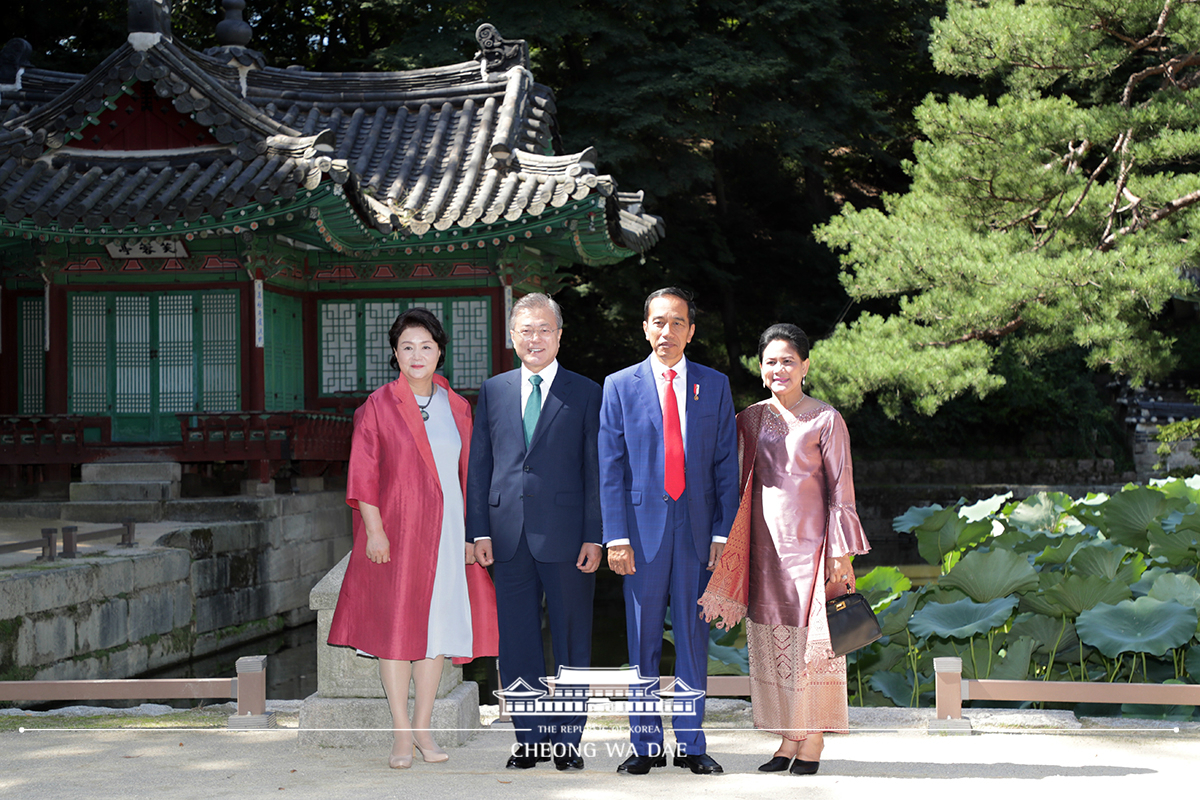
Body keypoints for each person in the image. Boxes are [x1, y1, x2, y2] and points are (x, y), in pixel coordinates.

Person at [327, 308, 498, 770]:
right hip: (397, 535)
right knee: (395, 634)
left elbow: (470, 476)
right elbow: (363, 475)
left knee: (436, 632)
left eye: (425, 346)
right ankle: (401, 733)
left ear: (440, 351)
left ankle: (424, 728)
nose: (416, 355)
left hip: (447, 537)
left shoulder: (457, 406)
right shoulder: (377, 406)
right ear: (395, 354)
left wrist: (470, 534)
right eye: (406, 347)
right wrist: (375, 532)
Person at [699, 323, 870, 776]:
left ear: (805, 366)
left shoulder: (826, 419)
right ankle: (787, 736)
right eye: (771, 361)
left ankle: (811, 741)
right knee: (773, 644)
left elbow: (841, 490)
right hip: (763, 550)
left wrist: (840, 552)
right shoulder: (748, 420)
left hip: (813, 551)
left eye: (788, 361)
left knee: (813, 646)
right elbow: (729, 482)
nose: (780, 369)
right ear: (760, 369)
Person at [598, 287, 739, 776]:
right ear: (645, 328)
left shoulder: (714, 385)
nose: (667, 332)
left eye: (677, 322)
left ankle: (693, 743)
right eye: (659, 322)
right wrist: (614, 536)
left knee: (694, 639)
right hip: (639, 534)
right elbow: (610, 468)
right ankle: (644, 744)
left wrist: (723, 534)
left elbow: (726, 466)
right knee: (641, 640)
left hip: (698, 531)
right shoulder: (619, 386)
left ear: (691, 331)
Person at [467, 292, 602, 772]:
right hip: (506, 534)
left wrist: (595, 535)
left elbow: (595, 469)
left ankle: (567, 740)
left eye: (545, 329)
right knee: (517, 640)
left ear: (560, 334)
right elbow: (480, 466)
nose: (535, 338)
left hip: (568, 536)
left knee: (571, 639)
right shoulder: (495, 390)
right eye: (526, 330)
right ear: (512, 336)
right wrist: (477, 530)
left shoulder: (585, 391)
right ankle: (530, 738)